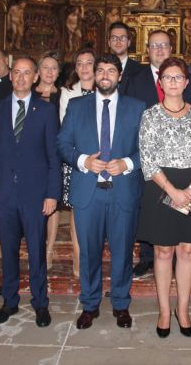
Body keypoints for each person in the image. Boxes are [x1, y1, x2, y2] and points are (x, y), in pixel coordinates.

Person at [57, 54, 145, 330]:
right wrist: (84, 161)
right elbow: (62, 144)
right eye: (100, 70)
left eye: (111, 70)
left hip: (123, 192)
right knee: (89, 253)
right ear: (94, 75)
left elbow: (149, 148)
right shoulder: (76, 106)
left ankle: (120, 304)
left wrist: (127, 163)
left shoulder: (137, 107)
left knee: (122, 252)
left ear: (119, 76)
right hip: (89, 192)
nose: (105, 75)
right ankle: (90, 304)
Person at [136, 57, 191, 338]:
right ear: (160, 83)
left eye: (177, 77)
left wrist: (190, 191)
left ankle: (182, 310)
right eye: (167, 77)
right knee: (163, 251)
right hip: (161, 188)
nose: (172, 82)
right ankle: (163, 311)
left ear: (185, 81)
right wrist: (172, 191)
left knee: (187, 250)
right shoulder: (149, 115)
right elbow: (147, 160)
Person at [0, 57, 61, 326]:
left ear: (36, 77)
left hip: (35, 194)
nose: (22, 78)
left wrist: (52, 194)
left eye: (27, 73)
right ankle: (10, 302)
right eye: (17, 73)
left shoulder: (46, 111)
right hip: (3, 193)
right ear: (11, 76)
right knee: (9, 250)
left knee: (36, 251)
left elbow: (53, 157)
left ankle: (40, 303)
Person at [124, 30, 191, 277]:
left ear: (171, 47)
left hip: (181, 159)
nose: (159, 49)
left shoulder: (186, 78)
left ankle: (176, 251)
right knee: (149, 208)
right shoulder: (135, 79)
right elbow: (131, 119)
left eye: (164, 45)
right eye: (154, 45)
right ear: (148, 49)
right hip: (148, 158)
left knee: (178, 206)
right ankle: (147, 256)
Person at [58, 48, 98, 277]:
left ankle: (94, 258)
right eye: (80, 63)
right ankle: (77, 259)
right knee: (78, 211)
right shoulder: (67, 93)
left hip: (104, 159)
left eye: (89, 62)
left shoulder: (107, 89)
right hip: (77, 160)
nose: (84, 67)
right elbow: (67, 129)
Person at [33, 51, 62, 271]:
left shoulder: (64, 94)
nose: (50, 72)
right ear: (38, 71)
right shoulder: (27, 93)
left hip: (55, 153)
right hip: (32, 156)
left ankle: (49, 249)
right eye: (45, 67)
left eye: (54, 68)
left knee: (53, 203)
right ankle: (35, 246)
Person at [108, 21, 142, 94]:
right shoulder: (100, 69)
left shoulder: (140, 70)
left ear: (129, 42)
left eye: (122, 38)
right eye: (114, 38)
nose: (118, 41)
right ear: (109, 43)